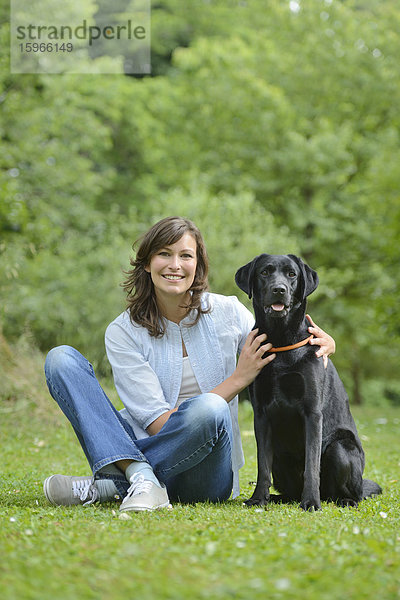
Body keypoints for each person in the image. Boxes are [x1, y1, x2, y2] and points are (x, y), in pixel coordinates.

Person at [43, 216, 335, 512]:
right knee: (61, 360)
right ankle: (141, 479)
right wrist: (239, 379)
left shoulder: (228, 312)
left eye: (185, 255)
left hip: (208, 471)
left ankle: (117, 480)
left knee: (209, 409)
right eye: (164, 254)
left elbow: (284, 337)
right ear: (147, 263)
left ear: (198, 265)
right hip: (151, 440)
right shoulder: (123, 333)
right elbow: (156, 424)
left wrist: (327, 341)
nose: (175, 265)